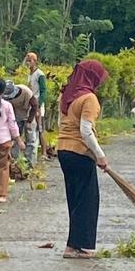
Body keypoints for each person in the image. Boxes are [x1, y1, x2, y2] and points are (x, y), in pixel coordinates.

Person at [57, 59, 109, 259]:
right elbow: (86, 131)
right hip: (80, 152)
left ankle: (72, 247)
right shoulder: (89, 99)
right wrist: (100, 156)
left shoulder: (68, 95)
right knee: (87, 199)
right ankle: (84, 246)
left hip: (64, 151)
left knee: (75, 198)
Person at [2, 80, 38, 165]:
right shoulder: (4, 97)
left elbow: (35, 106)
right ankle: (15, 162)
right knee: (15, 139)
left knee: (30, 140)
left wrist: (29, 121)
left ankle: (30, 163)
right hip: (16, 117)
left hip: (29, 114)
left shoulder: (26, 92)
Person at [25, 52, 48, 153]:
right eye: (27, 61)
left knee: (40, 127)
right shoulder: (30, 74)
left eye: (30, 61)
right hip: (32, 103)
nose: (28, 63)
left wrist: (39, 104)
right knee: (33, 127)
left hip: (37, 104)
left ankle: (44, 152)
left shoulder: (40, 74)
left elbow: (43, 90)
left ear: (35, 61)